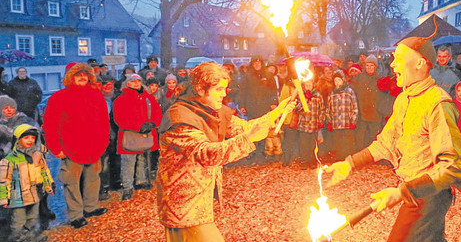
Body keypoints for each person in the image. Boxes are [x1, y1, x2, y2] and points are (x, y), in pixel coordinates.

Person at [325, 34, 461, 242]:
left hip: (429, 196)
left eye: (399, 59)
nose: (393, 65)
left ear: (420, 63)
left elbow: (454, 164)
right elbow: (385, 143)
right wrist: (350, 163)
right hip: (412, 190)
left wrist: (401, 191)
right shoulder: (404, 99)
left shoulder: (438, 103)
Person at [156, 62, 294, 241]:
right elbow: (206, 154)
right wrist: (249, 138)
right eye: (218, 89)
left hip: (199, 201)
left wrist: (277, 113)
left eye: (225, 89)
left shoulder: (211, 110)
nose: (224, 94)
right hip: (183, 205)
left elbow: (245, 128)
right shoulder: (180, 118)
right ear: (199, 89)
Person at [43, 63, 110, 229]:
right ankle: (75, 215)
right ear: (69, 77)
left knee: (93, 179)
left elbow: (104, 121)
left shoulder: (96, 95)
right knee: (71, 182)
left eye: (84, 74)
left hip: (94, 146)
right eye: (77, 75)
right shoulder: (59, 97)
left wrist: (104, 140)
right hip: (71, 147)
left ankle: (90, 207)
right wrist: (55, 148)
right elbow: (50, 124)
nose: (81, 77)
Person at [113, 73, 162, 201]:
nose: (136, 83)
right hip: (130, 135)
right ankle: (128, 188)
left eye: (138, 81)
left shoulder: (148, 98)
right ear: (127, 83)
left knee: (142, 159)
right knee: (128, 162)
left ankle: (141, 181)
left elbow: (157, 113)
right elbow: (119, 119)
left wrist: (153, 123)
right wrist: (138, 126)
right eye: (133, 81)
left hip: (146, 134)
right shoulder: (120, 100)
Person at [0, 124, 53, 242]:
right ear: (18, 140)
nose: (30, 140)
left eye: (32, 138)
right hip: (17, 196)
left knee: (33, 217)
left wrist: (48, 185)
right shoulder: (10, 159)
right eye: (26, 138)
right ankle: (17, 238)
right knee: (18, 220)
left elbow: (44, 171)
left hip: (34, 193)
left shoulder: (37, 155)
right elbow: (4, 180)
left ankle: (31, 237)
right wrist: (4, 197)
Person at [351, 55, 382, 151]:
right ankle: (360, 155)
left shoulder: (379, 78)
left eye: (371, 65)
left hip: (375, 113)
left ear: (375, 67)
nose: (369, 68)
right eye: (367, 65)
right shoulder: (359, 77)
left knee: (373, 136)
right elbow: (353, 91)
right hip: (361, 112)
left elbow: (384, 96)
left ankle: (373, 155)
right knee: (360, 136)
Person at [325, 71, 358, 161]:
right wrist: (329, 121)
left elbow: (355, 107)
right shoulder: (332, 93)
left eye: (339, 80)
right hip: (336, 123)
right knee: (338, 143)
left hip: (347, 123)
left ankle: (349, 161)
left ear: (343, 80)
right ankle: (339, 160)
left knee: (348, 143)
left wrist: (353, 121)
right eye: (335, 81)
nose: (337, 82)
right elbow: (328, 109)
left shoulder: (349, 92)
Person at [294, 80, 325, 168]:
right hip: (303, 124)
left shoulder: (318, 95)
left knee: (312, 144)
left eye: (310, 84)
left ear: (313, 85)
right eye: (306, 85)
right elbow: (297, 108)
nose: (308, 86)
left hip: (314, 124)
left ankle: (312, 162)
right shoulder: (301, 95)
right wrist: (306, 99)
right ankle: (304, 162)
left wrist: (321, 120)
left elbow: (322, 109)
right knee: (304, 144)